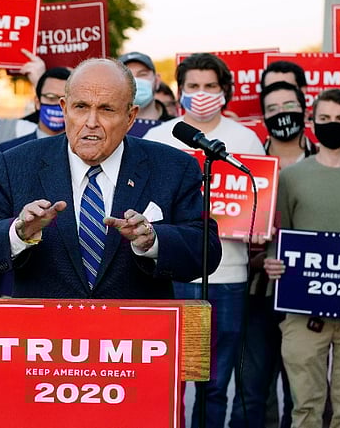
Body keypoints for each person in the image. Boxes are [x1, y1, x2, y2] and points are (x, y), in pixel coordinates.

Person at [0, 58, 221, 300]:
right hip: (44, 332)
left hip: (137, 332)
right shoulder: (16, 164)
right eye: (81, 107)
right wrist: (19, 232)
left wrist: (153, 240)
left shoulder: (173, 167)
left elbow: (206, 251)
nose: (91, 122)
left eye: (106, 109)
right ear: (64, 109)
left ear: (130, 117)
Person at [145, 52, 265, 428]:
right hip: (171, 272)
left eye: (210, 86)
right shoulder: (158, 137)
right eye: (193, 86)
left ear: (224, 90)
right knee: (168, 379)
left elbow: (259, 201)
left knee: (215, 384)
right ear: (180, 90)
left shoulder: (246, 139)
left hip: (229, 275)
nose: (202, 93)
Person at [263, 88, 340, 428]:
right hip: (303, 311)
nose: (333, 124)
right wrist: (273, 261)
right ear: (312, 122)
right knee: (304, 409)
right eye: (326, 118)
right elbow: (280, 233)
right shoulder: (290, 177)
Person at [229, 80, 313, 428]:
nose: (282, 115)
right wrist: (258, 258)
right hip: (257, 293)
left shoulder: (325, 160)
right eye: (273, 109)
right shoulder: (248, 163)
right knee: (250, 393)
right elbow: (230, 224)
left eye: (289, 106)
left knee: (302, 395)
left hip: (308, 296)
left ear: (304, 110)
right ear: (263, 117)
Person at [0, 67, 71, 154]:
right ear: (37, 102)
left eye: (65, 100)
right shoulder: (8, 151)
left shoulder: (81, 150)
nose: (59, 104)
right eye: (51, 97)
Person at [118, 51, 174, 138]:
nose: (135, 81)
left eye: (142, 74)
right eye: (127, 76)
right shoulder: (107, 127)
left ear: (157, 81)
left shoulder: (175, 127)